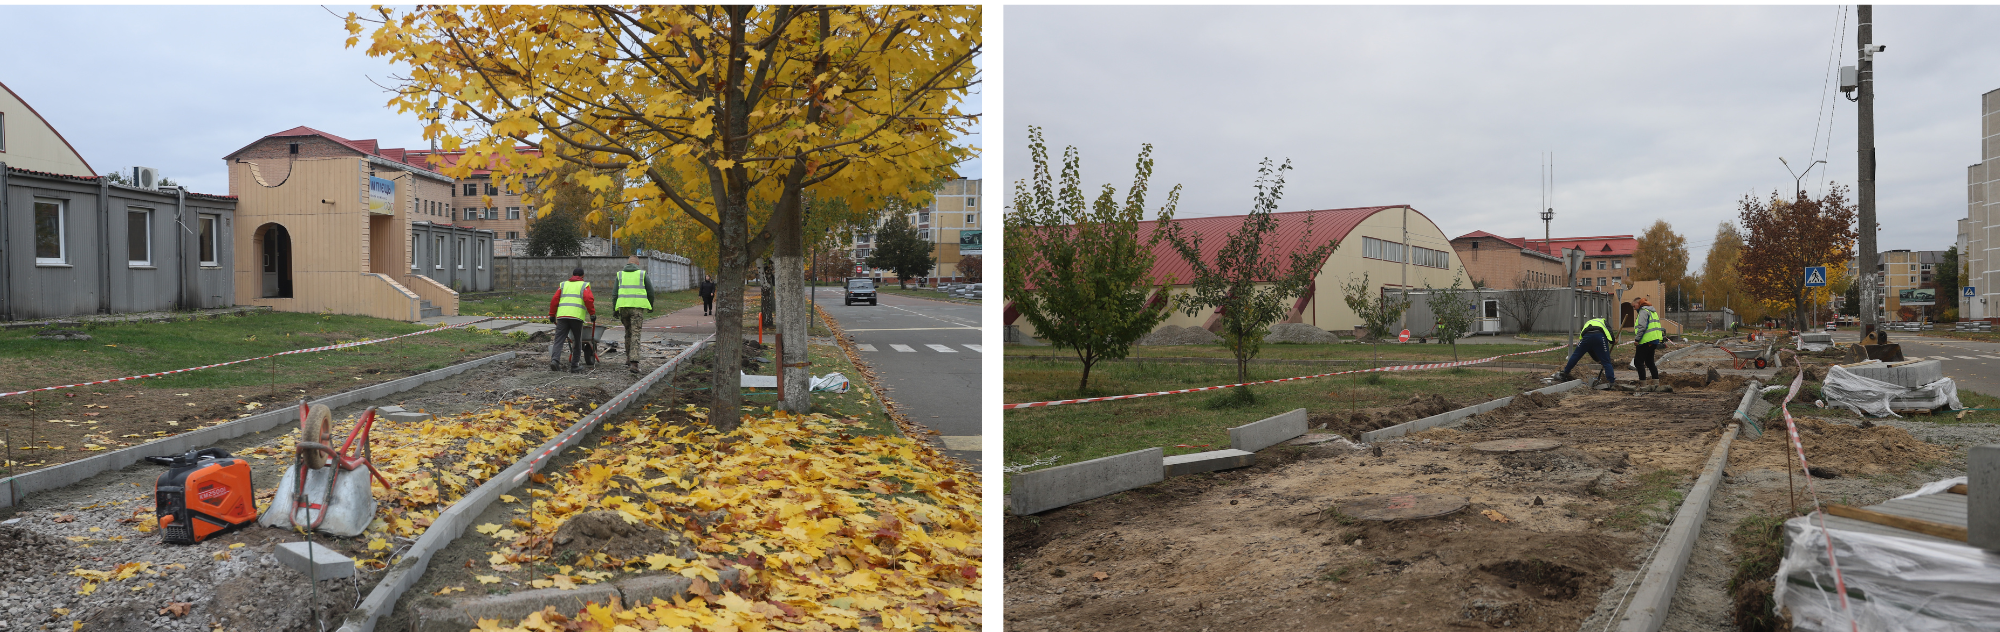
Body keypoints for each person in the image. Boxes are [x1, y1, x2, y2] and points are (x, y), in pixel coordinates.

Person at [547, 267, 595, 372]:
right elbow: (588, 299)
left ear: (572, 275)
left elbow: (555, 299)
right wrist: (592, 314)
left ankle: (555, 361)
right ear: (582, 276)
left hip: (562, 317)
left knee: (558, 340)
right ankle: (574, 365)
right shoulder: (584, 285)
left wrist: (552, 314)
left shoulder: (563, 285)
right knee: (577, 341)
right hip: (576, 317)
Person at [614, 255, 655, 374]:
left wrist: (614, 309)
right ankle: (634, 363)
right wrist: (650, 305)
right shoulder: (642, 274)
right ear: (637, 264)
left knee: (628, 332)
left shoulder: (620, 274)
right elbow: (650, 291)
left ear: (628, 263)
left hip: (623, 308)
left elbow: (614, 294)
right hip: (637, 308)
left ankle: (628, 358)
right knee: (636, 334)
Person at [1560, 315, 1617, 389]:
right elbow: (1609, 333)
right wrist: (1613, 341)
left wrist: (1598, 359)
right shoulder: (1604, 321)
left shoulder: (1588, 322)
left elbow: (1588, 346)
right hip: (1599, 337)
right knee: (1606, 361)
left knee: (1576, 355)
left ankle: (1565, 373)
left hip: (1586, 337)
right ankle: (1611, 382)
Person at [1633, 297, 1664, 384]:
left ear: (1639, 304)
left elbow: (1642, 326)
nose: (1634, 308)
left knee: (1638, 362)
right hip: (1653, 340)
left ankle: (1643, 384)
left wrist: (1637, 339)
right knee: (1650, 362)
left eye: (1634, 306)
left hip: (1645, 341)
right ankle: (1655, 382)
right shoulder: (1652, 311)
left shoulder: (1643, 311)